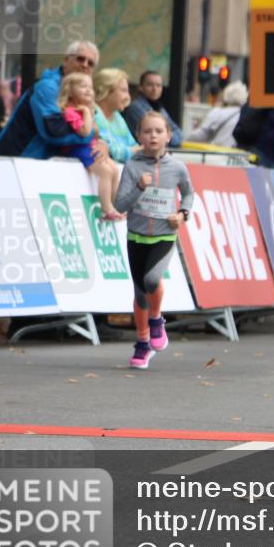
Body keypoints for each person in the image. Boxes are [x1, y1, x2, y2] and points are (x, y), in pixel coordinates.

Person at [113, 111, 193, 370]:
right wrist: (138, 187)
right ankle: (142, 343)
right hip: (136, 236)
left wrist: (182, 214)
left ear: (168, 135)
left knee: (152, 280)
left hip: (164, 234)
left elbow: (189, 194)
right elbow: (119, 204)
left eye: (159, 131)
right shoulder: (133, 166)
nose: (153, 136)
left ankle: (156, 320)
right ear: (139, 136)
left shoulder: (177, 168)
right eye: (147, 131)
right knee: (140, 294)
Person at [0, 40, 106, 160]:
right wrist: (91, 134)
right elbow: (54, 132)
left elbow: (95, 128)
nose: (85, 65)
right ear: (66, 60)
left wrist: (102, 143)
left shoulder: (83, 95)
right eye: (80, 59)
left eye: (91, 63)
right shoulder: (47, 87)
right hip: (10, 161)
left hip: (38, 165)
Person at [57, 73, 124, 220]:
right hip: (78, 149)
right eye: (83, 86)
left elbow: (95, 133)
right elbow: (85, 131)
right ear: (70, 91)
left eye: (90, 87)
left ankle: (115, 206)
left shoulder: (85, 109)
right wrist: (87, 112)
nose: (88, 90)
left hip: (90, 146)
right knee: (106, 172)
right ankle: (106, 209)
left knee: (114, 169)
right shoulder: (70, 111)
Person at [123, 71, 183, 148]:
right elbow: (155, 138)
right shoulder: (135, 108)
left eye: (158, 85)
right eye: (150, 85)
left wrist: (167, 136)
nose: (155, 89)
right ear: (141, 87)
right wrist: (167, 136)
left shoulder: (159, 108)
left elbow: (179, 132)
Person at [93, 68, 137, 165]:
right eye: (124, 90)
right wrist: (134, 151)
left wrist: (136, 151)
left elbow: (135, 147)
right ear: (106, 90)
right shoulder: (93, 113)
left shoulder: (118, 117)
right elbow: (111, 151)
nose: (128, 97)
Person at [186, 81, 248, 148]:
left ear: (226, 95)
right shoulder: (245, 116)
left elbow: (202, 135)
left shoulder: (218, 112)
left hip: (218, 152)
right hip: (238, 152)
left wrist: (184, 140)